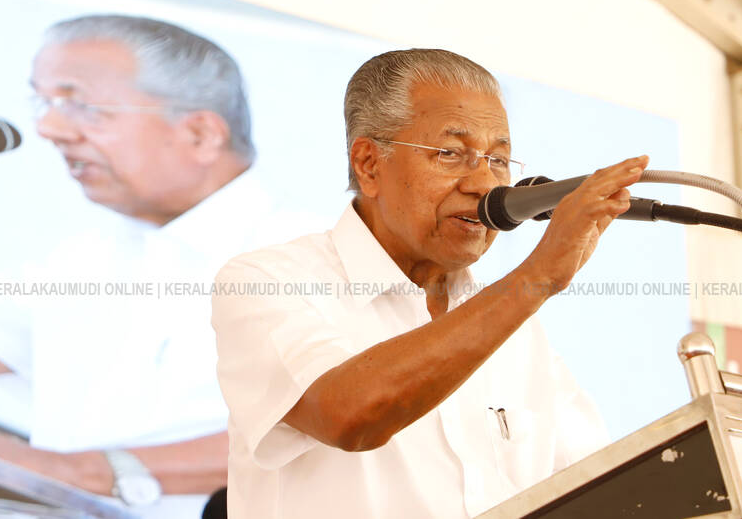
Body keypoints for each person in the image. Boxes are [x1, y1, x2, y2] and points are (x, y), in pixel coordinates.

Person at [212, 48, 649, 518]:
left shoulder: (517, 329)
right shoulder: (268, 281)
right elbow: (348, 416)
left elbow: (599, 489)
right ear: (369, 164)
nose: (485, 184)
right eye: (450, 154)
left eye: (499, 160)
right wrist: (536, 278)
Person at [0, 14, 277, 516]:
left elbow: (353, 432)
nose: (49, 128)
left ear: (200, 134)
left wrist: (76, 471)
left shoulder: (325, 258)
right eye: (44, 102)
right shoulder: (85, 260)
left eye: (81, 105)